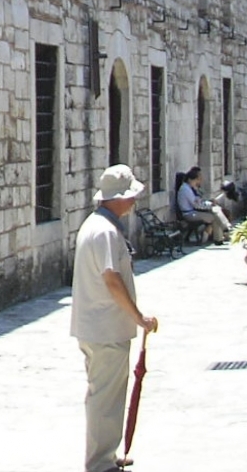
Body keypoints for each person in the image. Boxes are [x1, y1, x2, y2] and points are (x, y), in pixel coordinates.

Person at [72, 164, 158, 472]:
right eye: (131, 195)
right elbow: (111, 279)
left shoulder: (95, 226)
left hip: (97, 326)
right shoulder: (105, 232)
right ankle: (100, 463)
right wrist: (138, 317)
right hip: (105, 328)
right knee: (105, 399)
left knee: (104, 396)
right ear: (117, 198)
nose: (134, 200)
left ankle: (105, 455)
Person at [175, 165, 230, 244]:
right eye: (195, 180)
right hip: (189, 214)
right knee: (214, 216)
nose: (197, 182)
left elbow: (200, 201)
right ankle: (222, 233)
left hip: (194, 211)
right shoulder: (185, 189)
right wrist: (210, 205)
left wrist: (210, 204)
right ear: (190, 180)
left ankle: (221, 234)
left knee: (216, 211)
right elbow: (196, 204)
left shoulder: (191, 188)